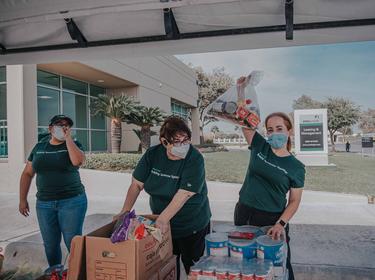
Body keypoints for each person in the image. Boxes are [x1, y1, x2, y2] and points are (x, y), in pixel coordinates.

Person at [114, 116, 211, 278]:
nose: (183, 146)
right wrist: (125, 210)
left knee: (193, 269)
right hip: (162, 225)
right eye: (177, 141)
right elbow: (136, 184)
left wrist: (163, 219)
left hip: (191, 224)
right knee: (167, 267)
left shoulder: (194, 159)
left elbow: (185, 193)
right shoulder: (153, 155)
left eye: (186, 140)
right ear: (164, 142)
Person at [234, 92, 305, 279]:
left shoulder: (296, 167)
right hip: (244, 212)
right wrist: (241, 90)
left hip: (272, 220)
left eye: (279, 128)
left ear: (289, 131)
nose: (274, 133)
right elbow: (242, 117)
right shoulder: (259, 145)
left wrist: (280, 224)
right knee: (246, 262)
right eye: (270, 129)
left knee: (278, 266)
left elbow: (295, 201)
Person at [19, 115, 87, 274]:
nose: (63, 127)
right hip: (44, 204)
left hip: (72, 202)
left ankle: (80, 273)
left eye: (67, 125)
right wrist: (22, 199)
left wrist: (68, 138)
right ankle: (55, 274)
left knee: (73, 242)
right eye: (59, 124)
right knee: (50, 243)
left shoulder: (74, 145)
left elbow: (77, 161)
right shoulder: (39, 147)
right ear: (50, 128)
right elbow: (27, 173)